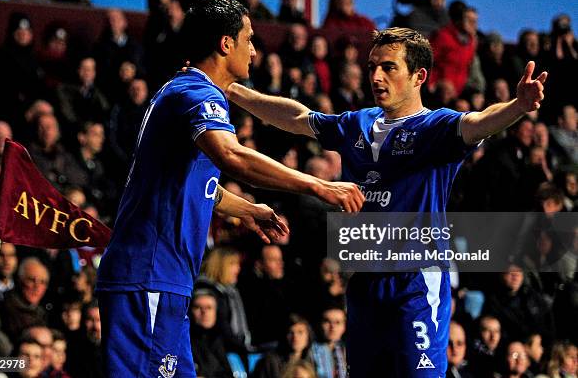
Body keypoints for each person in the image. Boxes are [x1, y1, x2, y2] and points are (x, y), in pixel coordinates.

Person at [227, 27, 547, 377]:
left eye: (389, 67)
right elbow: (298, 118)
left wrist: (518, 106)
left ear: (418, 76)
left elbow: (480, 123)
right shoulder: (357, 123)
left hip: (416, 283)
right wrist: (232, 90)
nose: (376, 76)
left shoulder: (436, 127)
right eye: (371, 67)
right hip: (365, 283)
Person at [96, 0, 363, 378]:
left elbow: (197, 184)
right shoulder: (195, 94)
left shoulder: (185, 92)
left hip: (164, 280)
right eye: (249, 38)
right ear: (226, 43)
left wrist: (247, 209)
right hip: (149, 277)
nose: (253, 49)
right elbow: (232, 158)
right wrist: (319, 185)